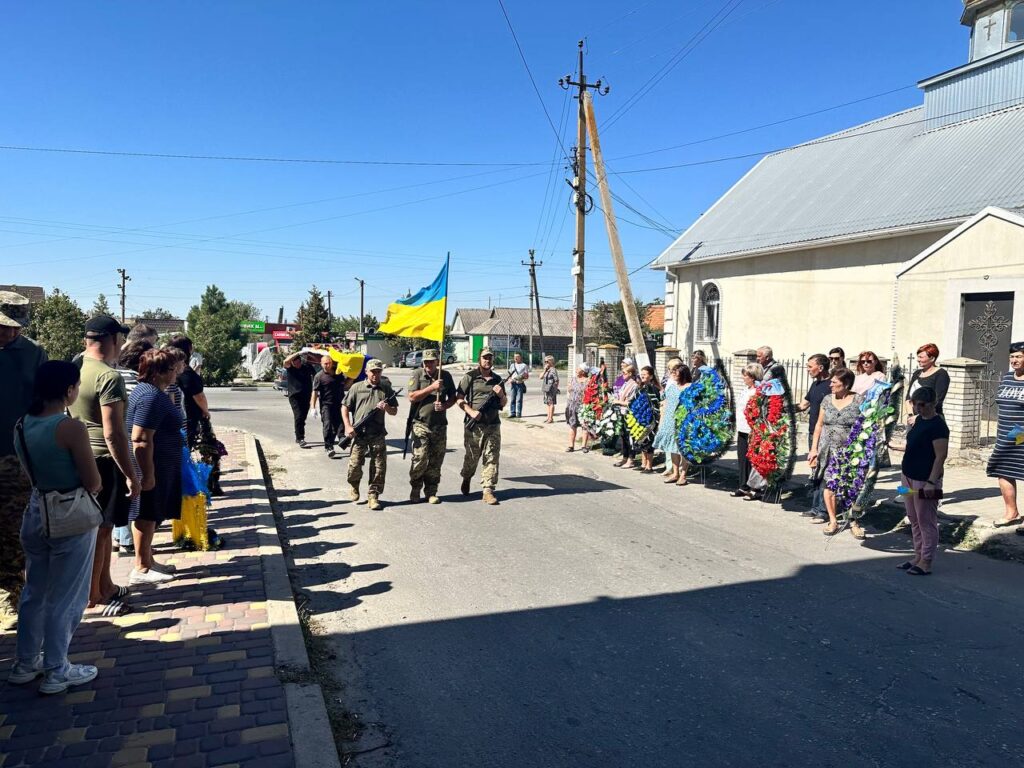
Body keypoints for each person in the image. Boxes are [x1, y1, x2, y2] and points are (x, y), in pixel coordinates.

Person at [9, 361, 103, 694]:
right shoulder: (70, 428)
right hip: (69, 515)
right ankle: (57, 669)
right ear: (68, 390)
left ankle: (24, 663)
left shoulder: (22, 425)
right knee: (66, 598)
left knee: (34, 592)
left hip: (36, 511)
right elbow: (93, 481)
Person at [68, 316, 137, 616]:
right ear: (111, 340)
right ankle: (94, 594)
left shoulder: (74, 367)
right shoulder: (109, 376)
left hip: (77, 457)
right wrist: (130, 473)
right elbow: (113, 432)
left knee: (98, 529)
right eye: (120, 338)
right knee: (102, 530)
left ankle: (105, 584)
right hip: (104, 462)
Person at [0, 291, 47, 612]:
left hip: (14, 460)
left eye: (18, 327)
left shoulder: (33, 355)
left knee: (11, 533)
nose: (12, 332)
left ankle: (8, 601)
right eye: (5, 326)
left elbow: (45, 408)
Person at [127, 349, 182, 585]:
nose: (176, 373)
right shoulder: (151, 396)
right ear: (159, 372)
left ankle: (148, 559)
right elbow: (140, 438)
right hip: (152, 466)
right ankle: (141, 567)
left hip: (161, 464)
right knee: (147, 513)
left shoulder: (151, 392)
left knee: (153, 513)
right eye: (172, 369)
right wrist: (147, 474)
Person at [809, 367, 864, 538]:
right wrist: (813, 449)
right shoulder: (827, 399)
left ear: (846, 384)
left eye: (834, 382)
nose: (830, 385)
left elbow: (865, 426)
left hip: (850, 451)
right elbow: (819, 425)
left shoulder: (859, 400)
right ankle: (833, 520)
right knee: (829, 484)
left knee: (851, 486)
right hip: (827, 449)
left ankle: (854, 521)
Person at [899, 387, 949, 575]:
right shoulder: (918, 420)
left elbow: (940, 456)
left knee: (926, 520)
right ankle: (917, 555)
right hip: (907, 477)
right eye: (915, 404)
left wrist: (931, 482)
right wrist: (894, 446)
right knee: (913, 518)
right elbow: (913, 444)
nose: (918, 408)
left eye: (922, 405)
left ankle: (926, 561)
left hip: (925, 480)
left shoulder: (938, 426)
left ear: (933, 404)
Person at [112, 339, 155, 555]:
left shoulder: (117, 374)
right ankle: (128, 540)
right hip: (128, 438)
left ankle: (120, 536)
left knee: (122, 489)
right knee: (133, 490)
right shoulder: (137, 383)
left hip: (119, 437)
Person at [343, 359, 398, 510]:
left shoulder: (386, 388)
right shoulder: (357, 387)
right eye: (372, 371)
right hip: (359, 433)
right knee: (354, 466)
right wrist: (348, 426)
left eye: (378, 371)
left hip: (378, 433)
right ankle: (354, 485)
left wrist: (387, 407)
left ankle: (373, 496)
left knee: (379, 467)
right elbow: (345, 407)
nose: (375, 374)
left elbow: (394, 411)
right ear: (366, 372)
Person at [457, 348, 508, 505]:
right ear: (479, 359)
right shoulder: (470, 377)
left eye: (490, 358)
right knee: (472, 458)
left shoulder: (497, 379)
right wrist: (471, 411)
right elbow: (458, 398)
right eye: (485, 358)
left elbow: (504, 403)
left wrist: (500, 394)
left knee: (492, 457)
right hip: (474, 426)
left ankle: (488, 490)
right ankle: (467, 477)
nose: (488, 361)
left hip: (493, 424)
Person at [407, 349, 457, 504]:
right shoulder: (417, 375)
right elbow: (412, 397)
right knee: (420, 458)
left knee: (436, 461)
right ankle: (415, 489)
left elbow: (454, 397)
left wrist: (444, 405)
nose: (429, 364)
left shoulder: (445, 376)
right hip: (421, 423)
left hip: (439, 425)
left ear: (437, 362)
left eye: (432, 361)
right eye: (426, 362)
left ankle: (431, 492)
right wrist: (432, 388)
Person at [988, 342, 1024, 531]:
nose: (1014, 360)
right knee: (1004, 470)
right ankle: (1012, 513)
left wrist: (1018, 434)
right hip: (1004, 434)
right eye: (1012, 357)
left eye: (1018, 356)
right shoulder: (1008, 377)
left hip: (1021, 436)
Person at [796, 354, 831, 519]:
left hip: (826, 434)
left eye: (810, 366)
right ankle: (815, 507)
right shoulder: (815, 384)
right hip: (813, 433)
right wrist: (782, 407)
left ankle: (824, 510)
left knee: (824, 472)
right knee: (815, 470)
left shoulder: (832, 386)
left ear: (821, 368)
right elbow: (803, 405)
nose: (807, 369)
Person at [654, 362, 692, 485]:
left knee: (684, 449)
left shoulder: (691, 388)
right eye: (673, 372)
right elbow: (665, 402)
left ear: (683, 373)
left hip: (684, 421)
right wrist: (662, 419)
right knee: (672, 447)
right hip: (669, 420)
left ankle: (683, 475)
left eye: (676, 372)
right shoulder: (671, 386)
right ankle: (675, 473)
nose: (673, 374)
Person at [732, 363, 763, 497]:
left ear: (753, 377)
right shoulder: (746, 390)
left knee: (754, 460)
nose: (743, 378)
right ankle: (743, 486)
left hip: (753, 430)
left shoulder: (758, 391)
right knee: (743, 459)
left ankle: (756, 489)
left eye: (745, 375)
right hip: (742, 428)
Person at [905, 343, 950, 420]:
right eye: (918, 357)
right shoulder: (917, 373)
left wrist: (918, 417)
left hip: (932, 420)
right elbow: (908, 399)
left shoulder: (941, 374)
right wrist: (911, 416)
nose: (918, 359)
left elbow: (937, 401)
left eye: (921, 357)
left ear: (932, 358)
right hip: (913, 420)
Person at [311, 355, 345, 457]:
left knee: (339, 423)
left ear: (332, 363)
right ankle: (328, 447)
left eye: (329, 363)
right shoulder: (319, 376)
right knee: (327, 425)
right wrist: (312, 407)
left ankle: (342, 438)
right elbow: (315, 392)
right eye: (325, 363)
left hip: (339, 403)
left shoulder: (339, 373)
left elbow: (345, 385)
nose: (327, 365)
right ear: (321, 364)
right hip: (326, 405)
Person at [283, 351, 315, 446]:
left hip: (306, 396)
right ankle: (300, 438)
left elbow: (316, 375)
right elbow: (286, 361)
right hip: (295, 396)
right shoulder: (290, 368)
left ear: (300, 361)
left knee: (302, 418)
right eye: (295, 363)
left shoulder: (307, 367)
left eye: (298, 362)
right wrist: (298, 353)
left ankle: (298, 433)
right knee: (298, 416)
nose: (297, 364)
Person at [613, 364, 640, 470]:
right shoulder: (625, 383)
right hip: (622, 412)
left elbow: (630, 402)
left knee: (630, 438)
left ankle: (631, 459)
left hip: (629, 413)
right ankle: (624, 457)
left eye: (624, 373)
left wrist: (617, 402)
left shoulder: (634, 385)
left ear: (630, 374)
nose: (622, 375)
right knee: (623, 436)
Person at [635, 366, 661, 473]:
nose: (642, 376)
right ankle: (643, 463)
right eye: (642, 374)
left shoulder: (653, 388)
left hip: (651, 418)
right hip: (641, 417)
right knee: (642, 440)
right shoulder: (641, 387)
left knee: (649, 441)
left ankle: (649, 466)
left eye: (645, 374)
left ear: (651, 376)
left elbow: (656, 403)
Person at [564, 364, 591, 453]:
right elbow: (569, 389)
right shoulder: (573, 379)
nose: (576, 370)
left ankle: (584, 446)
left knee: (585, 426)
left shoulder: (588, 381)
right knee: (572, 425)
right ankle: (571, 446)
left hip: (584, 406)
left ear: (583, 372)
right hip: (572, 405)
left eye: (578, 369)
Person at [508, 352, 529, 419]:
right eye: (515, 357)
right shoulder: (512, 365)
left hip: (520, 384)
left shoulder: (524, 365)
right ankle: (512, 413)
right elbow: (510, 374)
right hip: (513, 384)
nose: (516, 358)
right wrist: (510, 379)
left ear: (520, 357)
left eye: (517, 357)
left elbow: (526, 376)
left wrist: (519, 378)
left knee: (519, 399)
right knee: (512, 399)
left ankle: (519, 413)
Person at [541, 356, 559, 423]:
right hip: (546, 389)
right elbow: (540, 377)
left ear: (551, 362)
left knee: (551, 403)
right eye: (545, 361)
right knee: (547, 403)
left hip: (551, 389)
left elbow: (557, 380)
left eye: (547, 361)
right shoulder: (547, 369)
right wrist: (544, 370)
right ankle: (548, 417)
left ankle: (551, 418)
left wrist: (555, 389)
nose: (545, 363)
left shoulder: (553, 370)